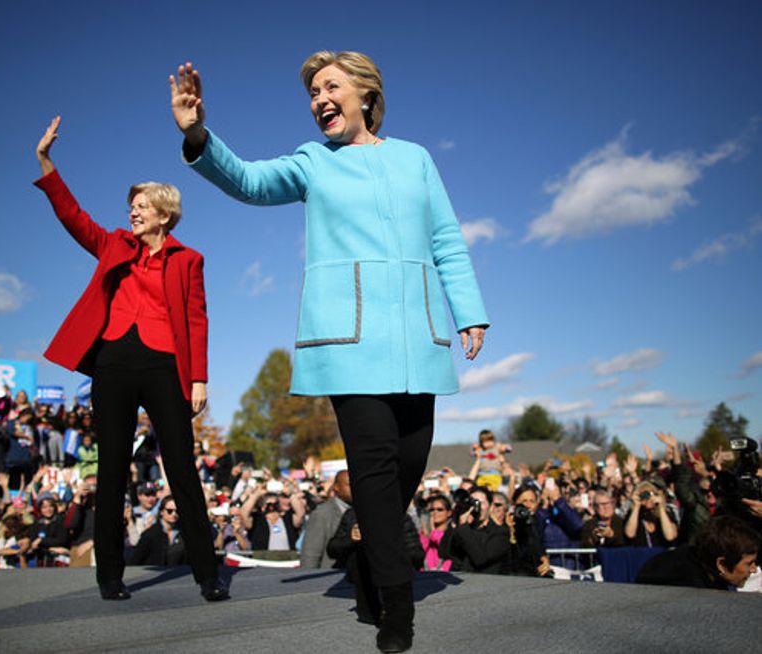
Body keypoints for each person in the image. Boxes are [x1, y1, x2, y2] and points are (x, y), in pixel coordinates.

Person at [171, 51, 488, 651]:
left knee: (406, 469)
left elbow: (446, 238)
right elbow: (250, 181)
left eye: (330, 86)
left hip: (417, 339)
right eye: (313, 91)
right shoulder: (312, 161)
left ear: (365, 94)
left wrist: (468, 311)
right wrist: (196, 135)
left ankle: (368, 567)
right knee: (371, 469)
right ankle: (398, 607)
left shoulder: (415, 158)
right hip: (348, 341)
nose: (319, 98)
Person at [33, 117, 227, 602]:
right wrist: (46, 165)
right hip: (114, 365)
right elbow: (73, 216)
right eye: (131, 206)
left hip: (166, 368)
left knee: (181, 469)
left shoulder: (188, 260)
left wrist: (199, 379)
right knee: (114, 469)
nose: (132, 213)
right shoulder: (113, 244)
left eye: (141, 207)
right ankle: (110, 577)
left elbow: (198, 320)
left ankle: (208, 575)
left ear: (164, 214)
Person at [636, 515, 759, 590]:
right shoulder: (689, 591)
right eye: (749, 563)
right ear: (721, 564)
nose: (754, 569)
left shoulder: (699, 565)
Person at [300, 470, 352, 569]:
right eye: (349, 485)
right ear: (336, 487)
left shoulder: (361, 510)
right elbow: (310, 556)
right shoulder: (322, 514)